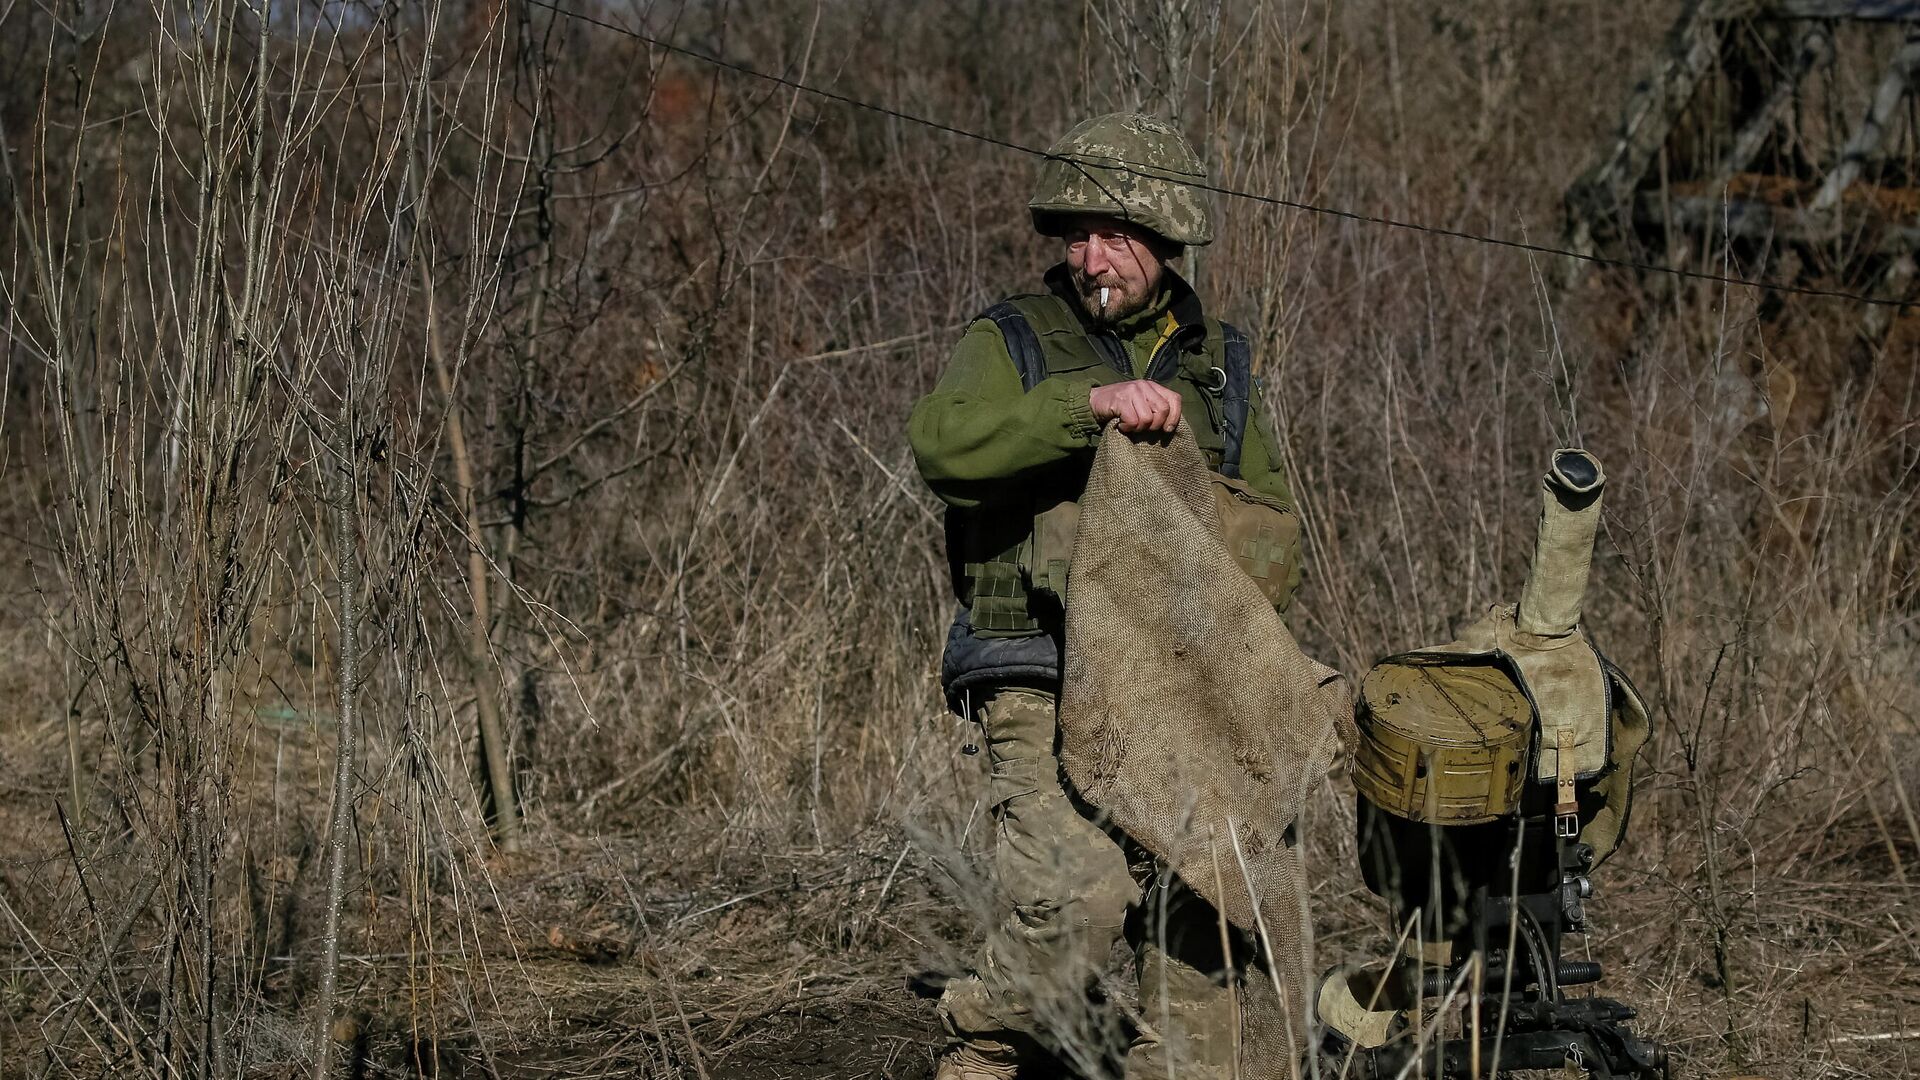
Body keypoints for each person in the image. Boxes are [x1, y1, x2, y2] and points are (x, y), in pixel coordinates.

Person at [908, 113, 1305, 1080]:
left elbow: (1273, 530)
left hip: (1182, 684)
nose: (1089, 256)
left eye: (1114, 233)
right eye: (1074, 234)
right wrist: (1086, 410)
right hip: (1035, 666)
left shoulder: (1222, 364)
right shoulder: (1014, 338)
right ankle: (981, 1032)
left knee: (1205, 924)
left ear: (1168, 238)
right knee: (1081, 901)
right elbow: (945, 447)